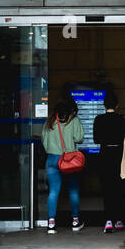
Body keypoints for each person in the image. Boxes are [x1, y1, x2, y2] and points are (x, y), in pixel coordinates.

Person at [92, 92, 125, 234]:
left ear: (104, 105)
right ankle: (119, 220)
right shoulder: (121, 119)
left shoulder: (98, 119)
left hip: (104, 156)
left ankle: (108, 221)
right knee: (118, 189)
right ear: (117, 105)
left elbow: (96, 140)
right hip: (119, 156)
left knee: (107, 189)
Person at [41, 97, 85, 233]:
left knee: (53, 191)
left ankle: (51, 223)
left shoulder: (49, 121)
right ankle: (75, 222)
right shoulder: (74, 120)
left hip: (52, 159)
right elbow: (79, 138)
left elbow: (43, 140)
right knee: (73, 190)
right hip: (68, 159)